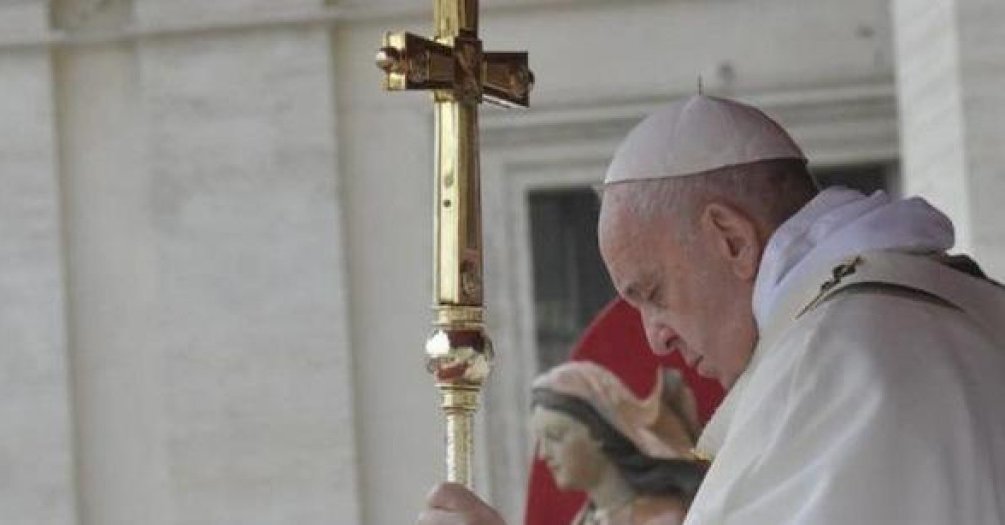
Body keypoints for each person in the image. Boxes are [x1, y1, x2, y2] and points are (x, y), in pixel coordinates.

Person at [417, 95, 1005, 524]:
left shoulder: (836, 361)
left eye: (653, 293)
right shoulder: (961, 305)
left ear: (730, 239)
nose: (655, 340)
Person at [530, 362, 705, 525]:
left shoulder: (660, 519)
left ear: (599, 432)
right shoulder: (586, 519)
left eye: (555, 436)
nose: (543, 454)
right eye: (541, 440)